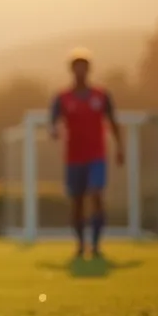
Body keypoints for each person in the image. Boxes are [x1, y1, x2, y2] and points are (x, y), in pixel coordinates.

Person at [49, 48, 124, 259]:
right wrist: (53, 129)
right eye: (76, 67)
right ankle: (81, 245)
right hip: (74, 158)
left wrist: (120, 147)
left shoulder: (101, 95)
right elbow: (53, 120)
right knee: (77, 202)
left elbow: (113, 121)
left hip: (96, 156)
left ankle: (97, 245)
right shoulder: (62, 97)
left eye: (84, 67)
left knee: (96, 195)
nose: (80, 70)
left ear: (89, 70)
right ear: (71, 70)